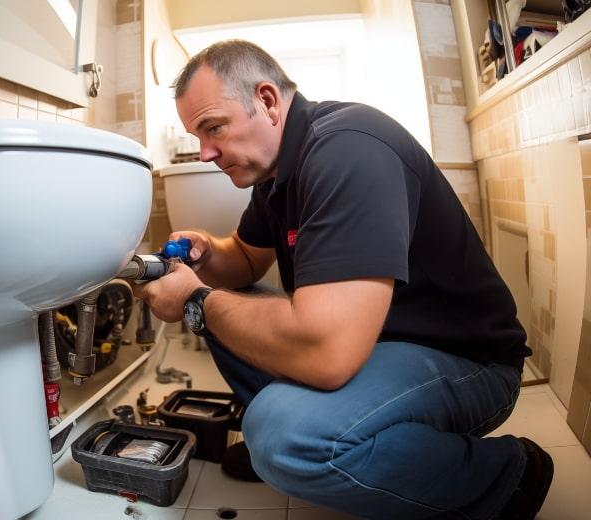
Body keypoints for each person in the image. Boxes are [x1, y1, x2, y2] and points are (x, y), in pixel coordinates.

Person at [132, 40, 553, 520]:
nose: (205, 153)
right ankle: (320, 429)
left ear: (267, 101)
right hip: (376, 346)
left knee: (284, 435)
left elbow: (328, 353)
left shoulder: (347, 150)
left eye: (213, 128)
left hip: (465, 360)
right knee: (231, 302)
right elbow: (246, 259)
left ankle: (505, 475)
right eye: (198, 135)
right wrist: (205, 252)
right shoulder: (275, 172)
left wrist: (194, 301)